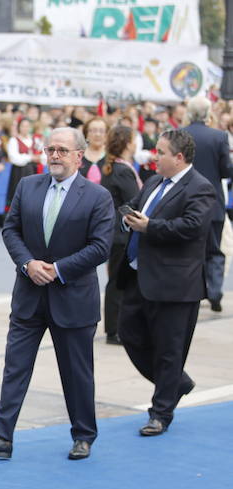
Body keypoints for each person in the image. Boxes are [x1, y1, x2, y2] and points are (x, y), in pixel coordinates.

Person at [0, 127, 114, 461]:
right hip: (29, 293)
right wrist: (28, 263)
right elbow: (11, 228)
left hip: (72, 298)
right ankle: (1, 434)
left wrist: (57, 270)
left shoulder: (97, 196)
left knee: (77, 372)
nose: (55, 156)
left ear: (79, 155)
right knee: (15, 366)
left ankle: (83, 435)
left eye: (62, 150)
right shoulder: (28, 186)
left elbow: (101, 247)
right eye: (50, 149)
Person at [116, 129, 214, 436]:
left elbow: (192, 227)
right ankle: (176, 383)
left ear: (179, 157)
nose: (154, 156)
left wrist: (149, 227)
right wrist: (128, 218)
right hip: (139, 275)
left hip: (175, 283)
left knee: (169, 349)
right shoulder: (155, 182)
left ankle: (161, 412)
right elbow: (131, 205)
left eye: (160, 152)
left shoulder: (200, 187)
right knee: (128, 333)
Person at [182, 96, 233, 312]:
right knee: (214, 250)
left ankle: (193, 292)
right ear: (208, 114)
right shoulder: (219, 136)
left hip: (184, 201)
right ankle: (214, 292)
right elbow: (226, 171)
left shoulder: (181, 135)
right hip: (212, 202)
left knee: (188, 250)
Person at [99, 126, 140, 345]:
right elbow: (133, 202)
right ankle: (113, 330)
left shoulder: (115, 167)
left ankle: (116, 327)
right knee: (117, 281)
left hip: (116, 233)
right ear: (127, 143)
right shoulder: (122, 170)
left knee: (117, 280)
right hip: (120, 234)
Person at [5, 118, 41, 212]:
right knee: (19, 196)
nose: (25, 128)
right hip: (19, 172)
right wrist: (30, 157)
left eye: (27, 126)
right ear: (19, 127)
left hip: (33, 171)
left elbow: (43, 156)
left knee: (33, 196)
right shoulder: (14, 140)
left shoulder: (35, 140)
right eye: (23, 126)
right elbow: (14, 158)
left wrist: (35, 158)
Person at [80, 117, 108, 184]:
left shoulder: (112, 156)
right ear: (86, 134)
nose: (97, 134)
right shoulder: (78, 155)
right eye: (94, 131)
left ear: (106, 135)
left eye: (101, 131)